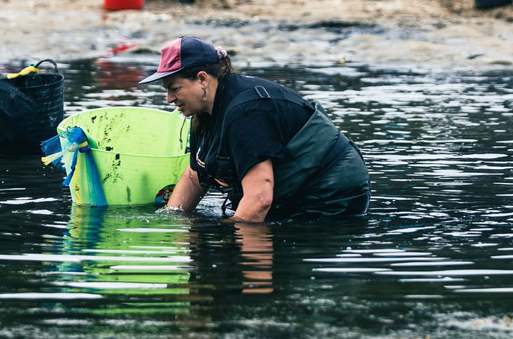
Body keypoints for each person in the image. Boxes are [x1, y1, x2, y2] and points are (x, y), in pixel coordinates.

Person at [140, 36, 370, 222]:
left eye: (175, 88)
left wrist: (225, 234)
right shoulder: (202, 112)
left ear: (202, 79)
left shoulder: (246, 111)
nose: (169, 98)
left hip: (331, 189)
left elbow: (260, 199)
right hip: (290, 188)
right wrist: (172, 221)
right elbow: (194, 177)